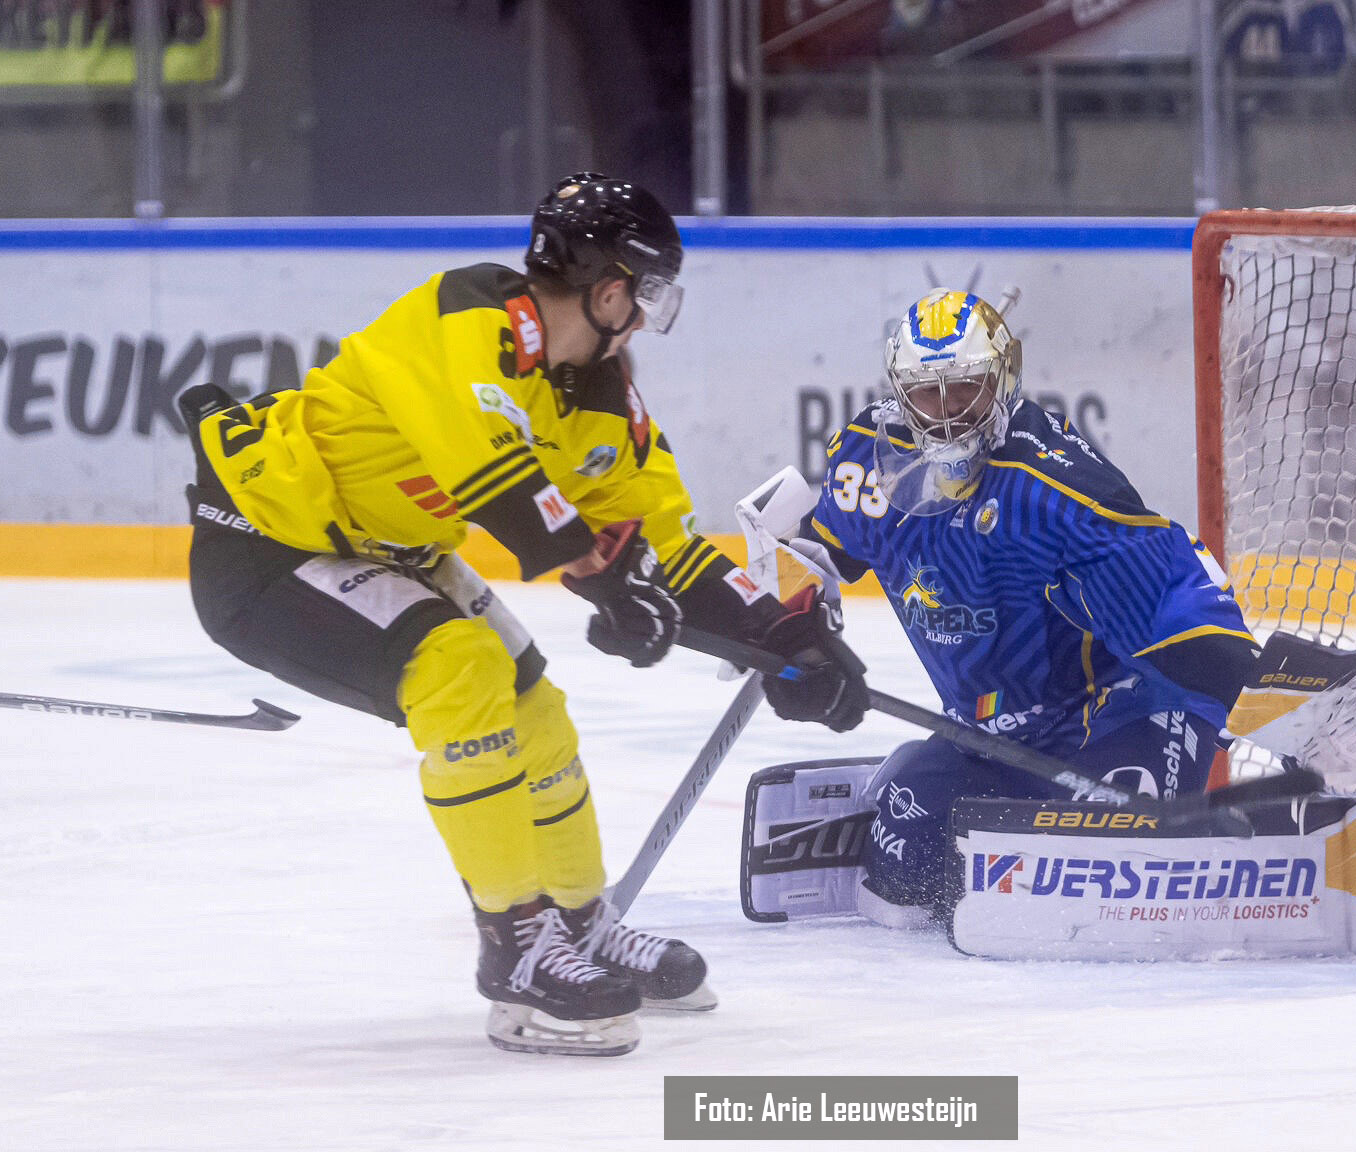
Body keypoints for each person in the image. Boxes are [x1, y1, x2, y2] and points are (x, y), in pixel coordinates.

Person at [177, 173, 868, 1057]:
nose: (648, 316)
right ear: (611, 288)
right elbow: (495, 473)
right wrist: (601, 573)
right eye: (648, 293)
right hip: (266, 544)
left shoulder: (603, 399)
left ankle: (578, 930)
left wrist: (782, 636)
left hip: (386, 547)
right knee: (458, 670)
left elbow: (667, 545)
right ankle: (515, 956)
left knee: (534, 710)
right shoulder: (469, 312)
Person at [799, 288, 1261, 926]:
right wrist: (781, 614)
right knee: (898, 881)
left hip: (1122, 710)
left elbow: (1171, 597)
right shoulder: (867, 463)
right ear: (897, 393)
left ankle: (1203, 833)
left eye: (965, 388)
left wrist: (1259, 691)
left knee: (1110, 874)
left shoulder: (1049, 483)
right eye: (925, 393)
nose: (947, 415)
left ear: (1002, 380)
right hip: (991, 736)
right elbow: (823, 553)